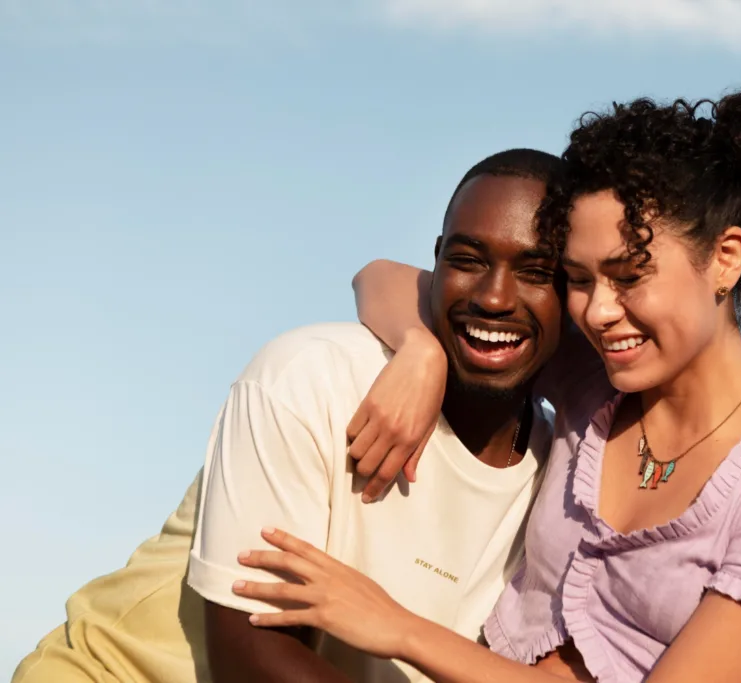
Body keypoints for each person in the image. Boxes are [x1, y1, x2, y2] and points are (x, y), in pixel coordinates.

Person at [230, 88, 741, 683]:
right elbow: (386, 277)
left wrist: (401, 630)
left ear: (725, 257)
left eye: (628, 274)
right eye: (580, 279)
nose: (598, 312)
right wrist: (421, 352)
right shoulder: (600, 384)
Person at [12, 148, 566, 683]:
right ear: (437, 260)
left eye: (537, 272)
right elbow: (251, 657)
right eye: (467, 261)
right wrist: (421, 351)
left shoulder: (564, 478)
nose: (495, 298)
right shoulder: (312, 376)